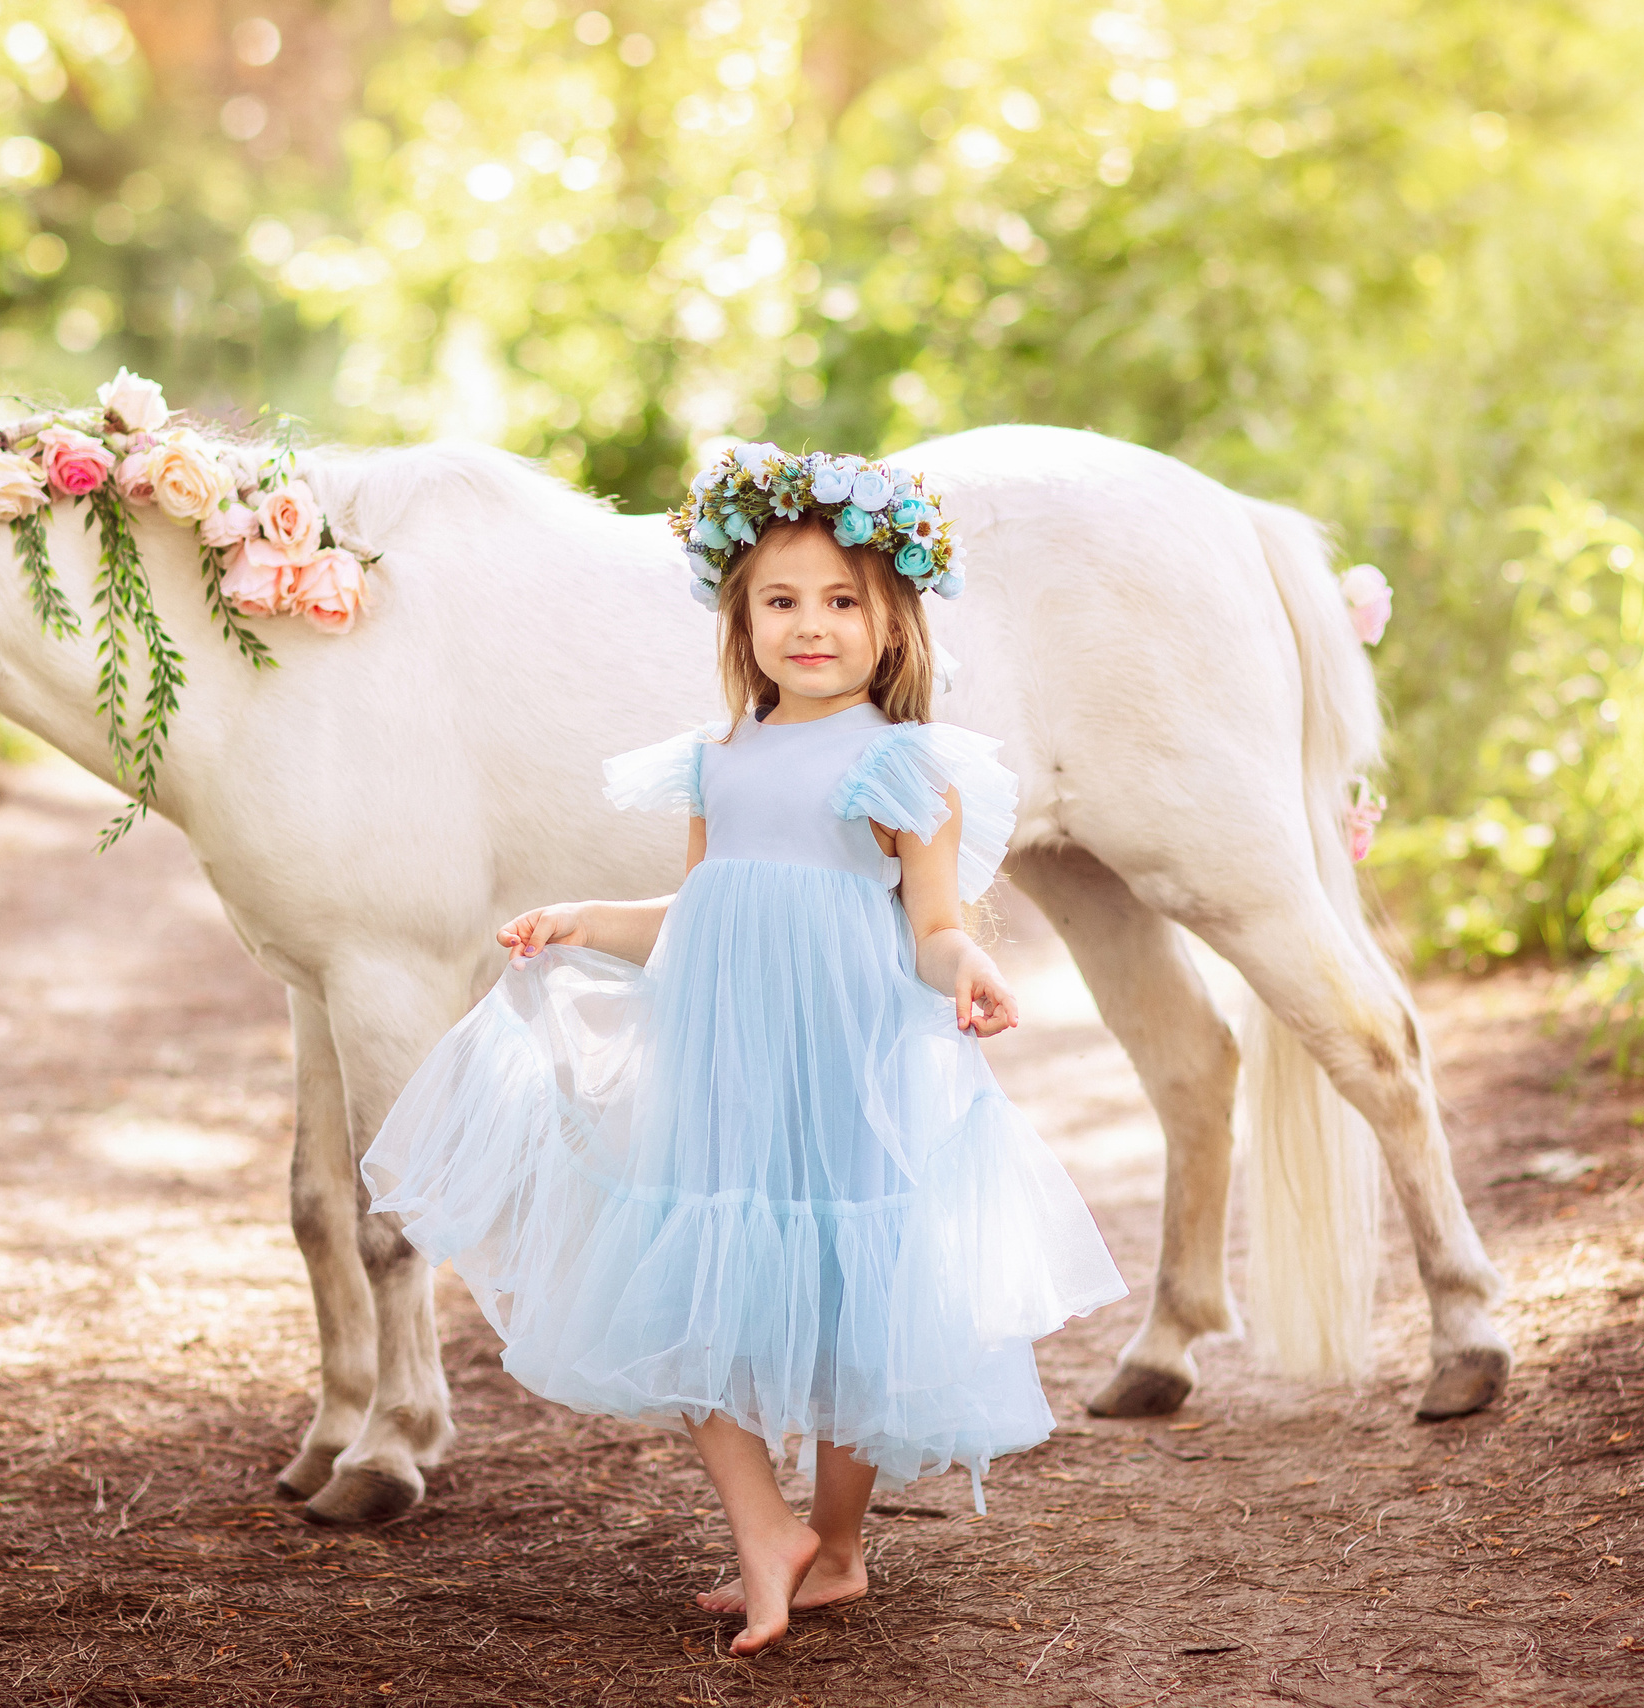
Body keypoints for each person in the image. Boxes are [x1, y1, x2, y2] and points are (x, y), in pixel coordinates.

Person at [361, 444, 1126, 1655]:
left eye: (840, 601)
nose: (808, 625)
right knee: (685, 1273)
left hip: (843, 1059)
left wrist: (966, 966)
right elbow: (705, 910)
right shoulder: (718, 761)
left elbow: (930, 922)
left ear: (890, 623)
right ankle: (762, 1524)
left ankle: (842, 1543)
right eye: (780, 600)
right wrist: (582, 923)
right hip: (721, 1065)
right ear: (740, 616)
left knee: (850, 1299)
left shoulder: (904, 764)